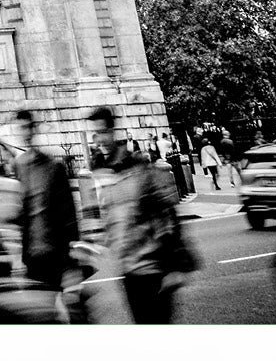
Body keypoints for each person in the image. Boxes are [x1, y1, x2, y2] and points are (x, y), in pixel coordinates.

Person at [79, 105, 193, 323]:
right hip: (128, 270)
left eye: (102, 132)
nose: (98, 140)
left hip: (153, 270)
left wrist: (172, 267)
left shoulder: (139, 168)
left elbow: (166, 215)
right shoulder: (101, 173)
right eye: (94, 134)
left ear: (113, 132)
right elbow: (101, 221)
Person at [9, 109, 83, 321]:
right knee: (42, 314)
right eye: (20, 128)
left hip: (55, 252)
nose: (25, 133)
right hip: (32, 255)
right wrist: (18, 260)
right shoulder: (17, 167)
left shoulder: (54, 167)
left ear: (34, 129)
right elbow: (19, 215)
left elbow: (69, 216)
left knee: (71, 309)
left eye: (27, 127)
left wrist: (72, 261)